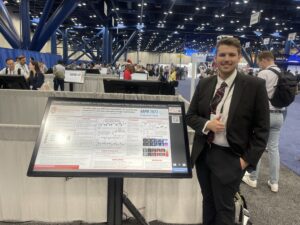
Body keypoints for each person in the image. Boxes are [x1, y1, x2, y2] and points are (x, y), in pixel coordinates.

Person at [186, 37, 270, 225]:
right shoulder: (205, 83)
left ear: (239, 57)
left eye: (232, 55)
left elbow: (262, 130)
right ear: (215, 58)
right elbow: (190, 116)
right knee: (208, 202)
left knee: (224, 207)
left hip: (231, 157)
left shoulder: (254, 86)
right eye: (222, 54)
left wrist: (245, 161)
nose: (226, 59)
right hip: (204, 154)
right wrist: (208, 124)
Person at [242, 51, 284, 193]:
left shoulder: (264, 74)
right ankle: (274, 182)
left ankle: (253, 178)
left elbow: (252, 96)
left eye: (260, 62)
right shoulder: (282, 73)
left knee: (257, 145)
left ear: (265, 60)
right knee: (274, 148)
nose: (259, 65)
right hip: (279, 115)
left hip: (264, 116)